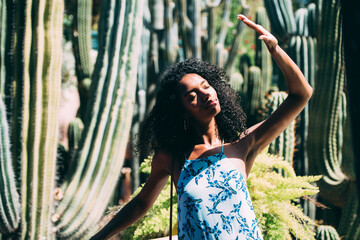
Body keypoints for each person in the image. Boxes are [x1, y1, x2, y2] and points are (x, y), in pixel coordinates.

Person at [90, 14, 313, 240]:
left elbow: (301, 95)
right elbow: (140, 204)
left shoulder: (243, 144)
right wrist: (99, 237)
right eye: (192, 96)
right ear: (181, 112)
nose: (205, 94)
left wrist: (276, 51)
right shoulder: (173, 158)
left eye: (206, 86)